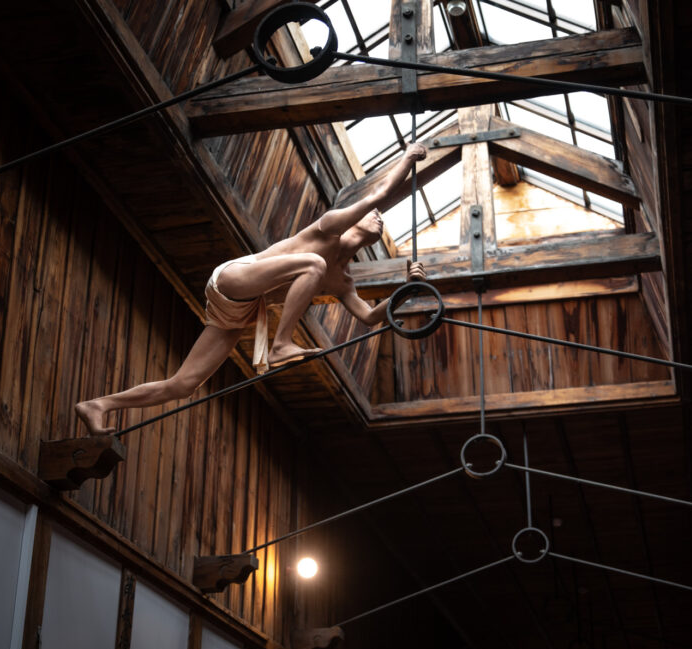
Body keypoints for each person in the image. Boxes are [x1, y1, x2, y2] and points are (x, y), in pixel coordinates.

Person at [75, 143, 429, 435]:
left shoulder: (343, 280)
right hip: (236, 277)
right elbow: (380, 191)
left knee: (185, 384)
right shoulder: (329, 228)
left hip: (242, 310)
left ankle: (98, 405)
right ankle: (281, 345)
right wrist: (408, 157)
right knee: (313, 264)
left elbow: (369, 317)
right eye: (373, 213)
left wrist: (406, 290)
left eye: (381, 218)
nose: (379, 216)